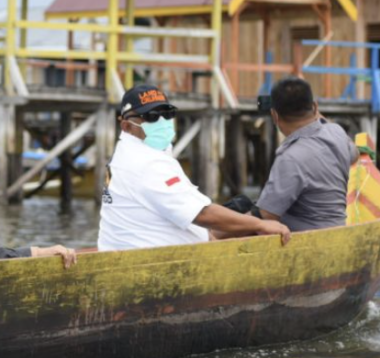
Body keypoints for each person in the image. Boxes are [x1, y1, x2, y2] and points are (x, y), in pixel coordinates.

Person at [97, 85, 291, 251]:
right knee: (254, 220)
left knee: (241, 206)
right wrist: (260, 224)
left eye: (167, 113)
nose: (162, 121)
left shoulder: (134, 150)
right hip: (151, 263)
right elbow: (202, 214)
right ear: (126, 126)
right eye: (151, 117)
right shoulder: (147, 163)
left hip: (140, 249)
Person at [257, 77, 357, 232]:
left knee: (240, 207)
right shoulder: (336, 132)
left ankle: (208, 239)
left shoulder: (290, 158)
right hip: (337, 229)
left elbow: (266, 217)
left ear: (275, 116)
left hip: (304, 238)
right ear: (315, 107)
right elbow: (354, 154)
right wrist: (317, 115)